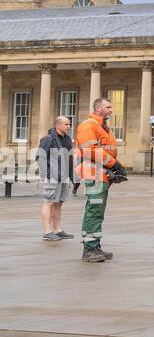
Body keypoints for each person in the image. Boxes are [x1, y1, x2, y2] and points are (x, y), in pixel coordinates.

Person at [75, 97, 124, 263]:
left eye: (111, 107)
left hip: (102, 175)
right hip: (94, 175)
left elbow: (106, 151)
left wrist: (115, 166)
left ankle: (95, 246)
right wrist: (114, 164)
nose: (111, 110)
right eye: (108, 107)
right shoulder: (88, 125)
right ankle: (89, 250)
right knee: (94, 211)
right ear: (98, 108)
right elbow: (91, 150)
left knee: (97, 211)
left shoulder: (104, 128)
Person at [38, 116, 76, 242]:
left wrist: (73, 177)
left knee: (59, 204)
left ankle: (57, 230)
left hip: (64, 177)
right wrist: (47, 175)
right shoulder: (48, 139)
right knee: (49, 202)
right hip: (52, 177)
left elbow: (70, 159)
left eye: (69, 124)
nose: (69, 127)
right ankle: (47, 232)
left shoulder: (68, 139)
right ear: (58, 125)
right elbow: (40, 157)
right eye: (66, 124)